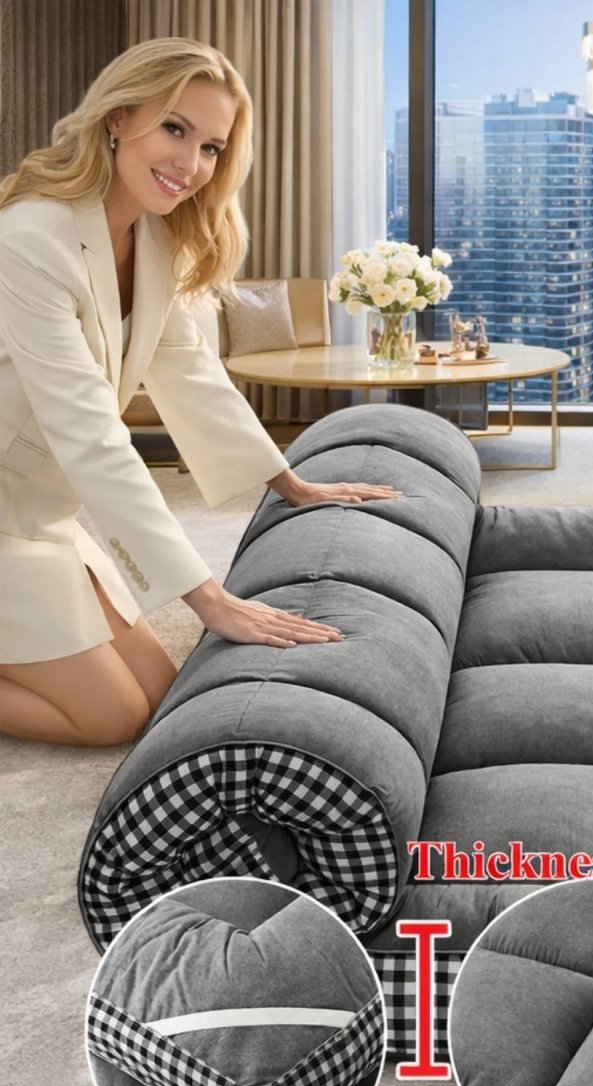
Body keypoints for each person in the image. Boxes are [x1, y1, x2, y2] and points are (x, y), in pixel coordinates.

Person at [0, 38, 399, 747]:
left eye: (211, 147)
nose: (191, 164)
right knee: (113, 717)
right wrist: (209, 599)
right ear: (119, 117)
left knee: (158, 694)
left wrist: (290, 483)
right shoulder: (31, 240)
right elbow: (89, 432)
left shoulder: (153, 238)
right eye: (175, 129)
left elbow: (193, 375)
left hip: (38, 516)